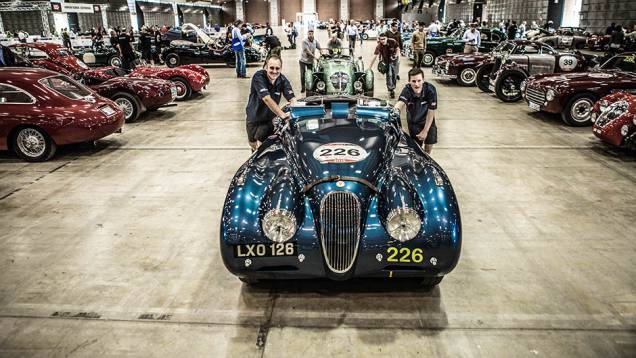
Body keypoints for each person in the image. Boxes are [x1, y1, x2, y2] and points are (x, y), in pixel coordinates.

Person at [245, 55, 296, 150]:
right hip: (253, 117)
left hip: (268, 120)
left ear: (281, 69)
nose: (274, 71)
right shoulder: (258, 77)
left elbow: (292, 98)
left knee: (262, 147)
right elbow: (266, 99)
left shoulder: (283, 80)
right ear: (266, 67)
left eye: (277, 68)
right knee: (253, 145)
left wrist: (295, 107)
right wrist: (284, 116)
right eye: (271, 68)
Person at [394, 68, 438, 154]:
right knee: (416, 149)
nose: (416, 84)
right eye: (413, 81)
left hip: (428, 121)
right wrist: (394, 111)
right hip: (414, 123)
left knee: (428, 147)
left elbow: (431, 112)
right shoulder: (407, 90)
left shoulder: (431, 90)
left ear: (423, 80)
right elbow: (400, 103)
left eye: (419, 80)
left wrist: (425, 131)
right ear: (409, 81)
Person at [369, 33, 400, 98]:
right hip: (386, 62)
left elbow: (398, 48)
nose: (382, 41)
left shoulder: (392, 41)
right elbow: (374, 56)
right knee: (389, 75)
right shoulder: (379, 46)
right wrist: (369, 67)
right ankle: (391, 89)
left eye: (384, 39)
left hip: (395, 61)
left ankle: (393, 86)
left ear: (387, 38)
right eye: (381, 39)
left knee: (394, 75)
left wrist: (396, 55)